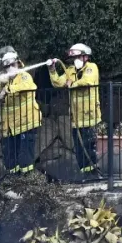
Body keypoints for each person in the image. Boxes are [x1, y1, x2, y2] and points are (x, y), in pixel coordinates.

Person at [48, 43, 100, 176]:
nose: (75, 60)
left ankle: (94, 174)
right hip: (76, 119)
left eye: (78, 57)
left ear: (85, 57)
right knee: (79, 149)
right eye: (74, 58)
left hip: (90, 116)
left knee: (90, 147)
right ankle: (86, 175)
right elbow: (58, 83)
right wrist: (52, 70)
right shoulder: (70, 71)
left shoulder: (91, 68)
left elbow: (88, 81)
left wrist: (72, 84)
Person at [0, 46, 42, 174]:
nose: (11, 68)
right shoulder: (3, 78)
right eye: (7, 66)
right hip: (9, 128)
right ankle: (14, 183)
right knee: (10, 158)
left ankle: (27, 183)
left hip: (26, 124)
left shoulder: (24, 76)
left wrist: (7, 90)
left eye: (13, 64)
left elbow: (29, 86)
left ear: (17, 63)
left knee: (25, 158)